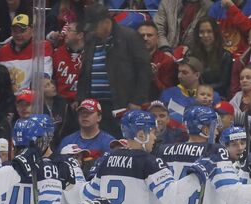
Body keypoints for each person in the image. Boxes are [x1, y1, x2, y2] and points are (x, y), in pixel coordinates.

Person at [77, 4, 152, 137]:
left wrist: (137, 100)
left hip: (121, 103)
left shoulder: (129, 36)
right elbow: (85, 72)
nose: (93, 31)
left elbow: (144, 70)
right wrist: (81, 98)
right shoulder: (91, 39)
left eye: (95, 27)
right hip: (94, 106)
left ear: (106, 22)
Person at [0, 14, 53, 94]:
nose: (18, 35)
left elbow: (44, 75)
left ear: (32, 30)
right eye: (15, 31)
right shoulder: (2, 51)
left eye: (22, 31)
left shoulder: (41, 47)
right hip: (9, 101)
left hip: (31, 100)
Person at [183, 17, 233, 97]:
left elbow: (223, 85)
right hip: (192, 95)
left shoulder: (226, 56)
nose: (205, 35)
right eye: (201, 32)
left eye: (209, 31)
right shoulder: (190, 54)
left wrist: (201, 90)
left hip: (215, 96)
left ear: (215, 33)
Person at [160, 57, 220, 121]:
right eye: (179, 72)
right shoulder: (168, 94)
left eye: (184, 73)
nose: (179, 76)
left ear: (197, 75)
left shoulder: (212, 96)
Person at [138, 22, 177, 101]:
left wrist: (154, 78)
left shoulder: (167, 61)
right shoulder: (127, 59)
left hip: (158, 105)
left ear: (157, 39)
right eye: (142, 35)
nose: (145, 38)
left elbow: (168, 93)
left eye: (149, 35)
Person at [52, 20, 85, 103]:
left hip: (82, 102)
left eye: (69, 30)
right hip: (60, 103)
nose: (66, 33)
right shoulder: (57, 53)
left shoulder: (90, 55)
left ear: (80, 35)